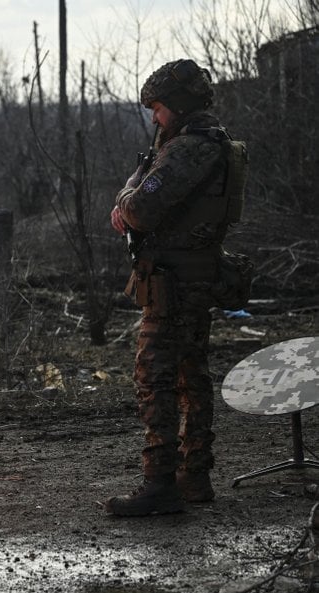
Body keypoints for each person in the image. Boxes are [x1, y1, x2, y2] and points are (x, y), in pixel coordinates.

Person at [105, 59, 242, 516]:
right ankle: (193, 477)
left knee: (155, 376)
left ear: (179, 107)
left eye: (159, 108)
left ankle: (159, 484)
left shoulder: (189, 149)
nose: (154, 118)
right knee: (190, 374)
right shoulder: (207, 143)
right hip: (192, 274)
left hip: (175, 280)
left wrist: (125, 202)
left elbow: (141, 209)